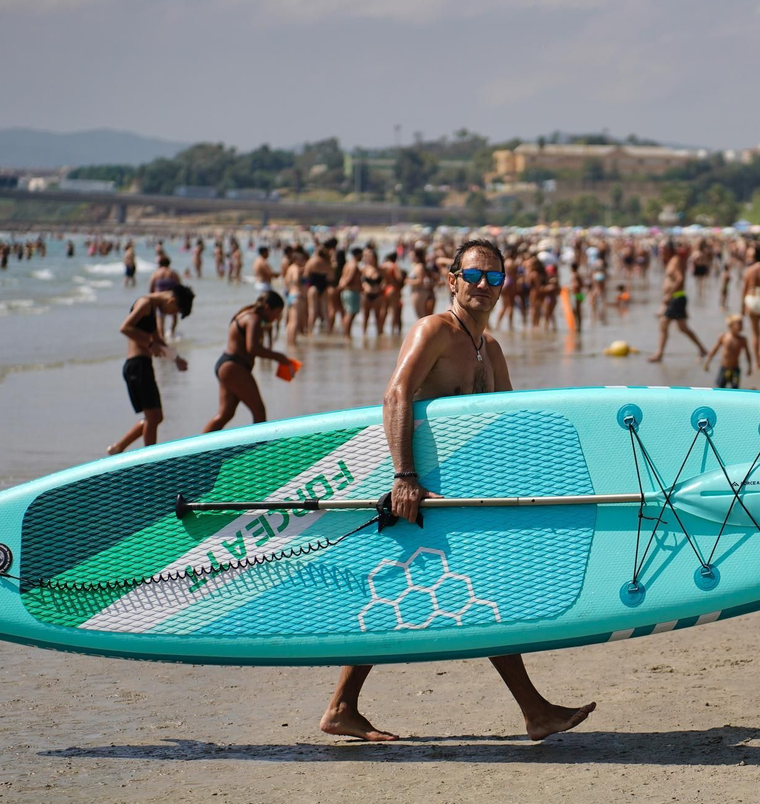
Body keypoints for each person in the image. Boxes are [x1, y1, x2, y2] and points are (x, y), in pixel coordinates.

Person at [320, 239, 595, 743]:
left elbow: (505, 427)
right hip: (417, 489)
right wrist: (403, 477)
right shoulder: (434, 331)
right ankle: (534, 711)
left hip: (456, 494)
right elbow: (396, 395)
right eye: (473, 275)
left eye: (494, 278)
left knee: (435, 588)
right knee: (454, 588)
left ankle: (343, 707)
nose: (483, 285)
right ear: (452, 280)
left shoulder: (491, 351)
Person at [107, 283, 194, 455]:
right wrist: (149, 344)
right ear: (172, 300)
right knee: (153, 417)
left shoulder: (152, 308)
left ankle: (118, 448)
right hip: (137, 366)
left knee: (155, 417)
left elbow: (157, 340)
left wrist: (176, 358)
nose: (172, 314)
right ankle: (149, 460)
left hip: (142, 365)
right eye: (175, 311)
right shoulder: (145, 303)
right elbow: (125, 328)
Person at [202, 292, 292, 432]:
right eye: (277, 313)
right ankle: (260, 445)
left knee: (225, 414)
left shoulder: (248, 314)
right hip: (234, 367)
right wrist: (278, 356)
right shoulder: (253, 318)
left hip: (227, 366)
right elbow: (252, 348)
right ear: (267, 308)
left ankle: (201, 444)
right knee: (259, 411)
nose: (276, 318)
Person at [648, 242, 706, 363]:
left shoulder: (675, 261)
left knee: (664, 324)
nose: (660, 251)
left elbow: (680, 278)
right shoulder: (671, 261)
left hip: (676, 298)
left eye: (662, 248)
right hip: (676, 298)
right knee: (683, 328)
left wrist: (669, 294)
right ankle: (702, 349)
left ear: (669, 249)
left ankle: (659, 354)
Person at [703, 314, 753, 388]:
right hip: (724, 368)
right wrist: (707, 362)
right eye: (739, 323)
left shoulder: (742, 340)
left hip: (735, 369)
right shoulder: (724, 337)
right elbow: (715, 350)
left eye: (742, 323)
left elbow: (748, 354)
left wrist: (750, 367)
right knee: (719, 388)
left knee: (735, 390)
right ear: (730, 325)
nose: (741, 325)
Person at [336, 247, 364, 339]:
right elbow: (349, 279)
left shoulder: (347, 264)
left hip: (347, 292)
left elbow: (342, 278)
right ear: (358, 255)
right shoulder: (354, 266)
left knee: (349, 313)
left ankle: (346, 333)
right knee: (350, 314)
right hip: (351, 292)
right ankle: (347, 335)